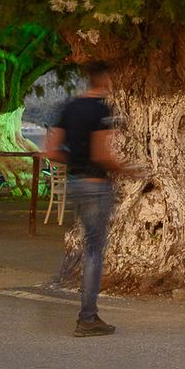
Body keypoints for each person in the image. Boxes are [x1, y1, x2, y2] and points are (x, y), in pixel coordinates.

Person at [41, 61, 133, 337]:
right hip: (96, 184)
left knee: (84, 244)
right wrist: (126, 170)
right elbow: (102, 154)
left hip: (75, 182)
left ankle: (69, 283)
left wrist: (75, 162)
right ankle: (88, 317)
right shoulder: (101, 109)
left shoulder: (70, 107)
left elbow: (52, 151)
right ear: (104, 78)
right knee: (95, 250)